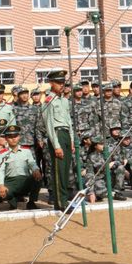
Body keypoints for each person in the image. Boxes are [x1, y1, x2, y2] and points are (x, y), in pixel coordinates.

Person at [42, 70, 75, 210]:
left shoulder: (65, 100)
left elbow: (69, 121)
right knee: (59, 171)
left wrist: (72, 140)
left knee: (66, 170)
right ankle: (60, 202)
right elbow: (49, 125)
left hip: (66, 134)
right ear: (51, 83)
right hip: (57, 135)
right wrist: (56, 145)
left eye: (63, 82)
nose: (62, 85)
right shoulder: (49, 101)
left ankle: (63, 199)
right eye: (58, 83)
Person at [0, 124, 42, 210]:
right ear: (6, 139)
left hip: (25, 181)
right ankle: (12, 201)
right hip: (11, 182)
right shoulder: (2, 154)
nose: (13, 139)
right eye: (10, 137)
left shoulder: (26, 151)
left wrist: (36, 170)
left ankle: (31, 202)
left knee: (38, 177)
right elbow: (0, 171)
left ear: (19, 137)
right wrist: (1, 186)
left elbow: (32, 163)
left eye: (15, 136)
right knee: (1, 193)